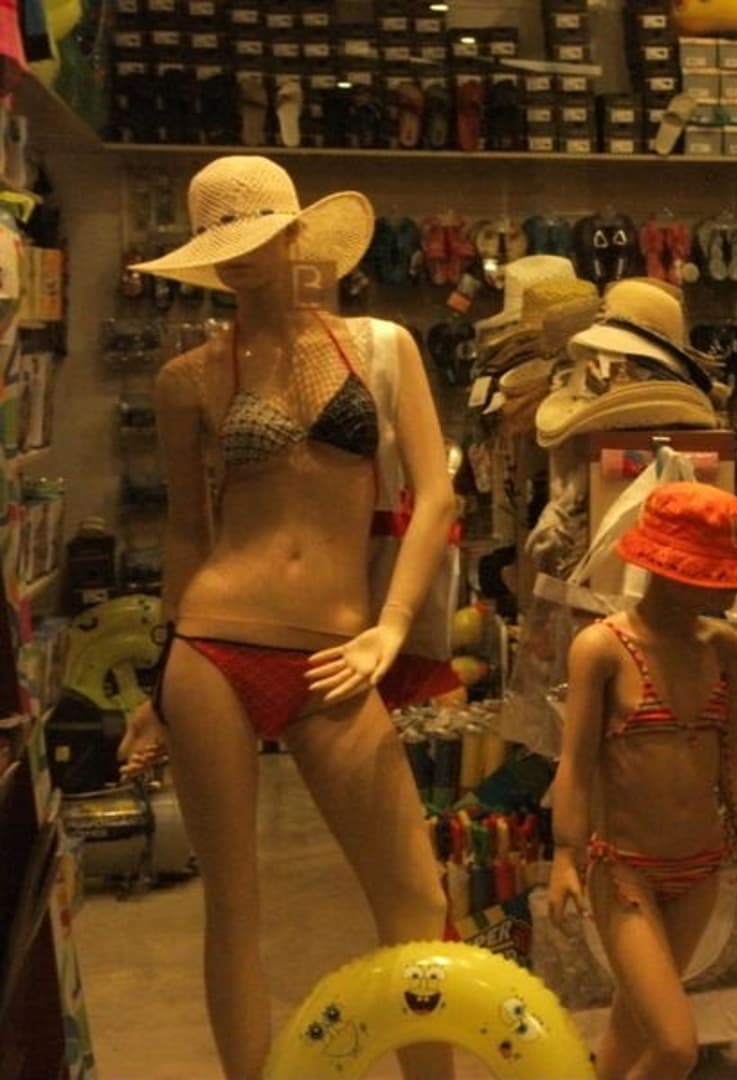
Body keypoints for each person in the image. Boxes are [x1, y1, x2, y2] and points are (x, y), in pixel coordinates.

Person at [128, 156, 457, 1080]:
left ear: (294, 233)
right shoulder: (189, 377)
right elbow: (188, 534)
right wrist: (158, 680)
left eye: (255, 234)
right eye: (218, 241)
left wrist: (392, 626)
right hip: (213, 647)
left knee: (415, 896)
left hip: (341, 648)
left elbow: (436, 497)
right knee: (234, 906)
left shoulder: (383, 347)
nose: (238, 256)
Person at [546, 481, 737, 1080]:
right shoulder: (602, 649)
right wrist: (563, 854)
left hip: (701, 868)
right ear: (667, 569)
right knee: (675, 1047)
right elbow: (575, 765)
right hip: (626, 872)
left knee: (630, 1027)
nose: (730, 591)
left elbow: (731, 761)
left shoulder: (723, 648)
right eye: (715, 577)